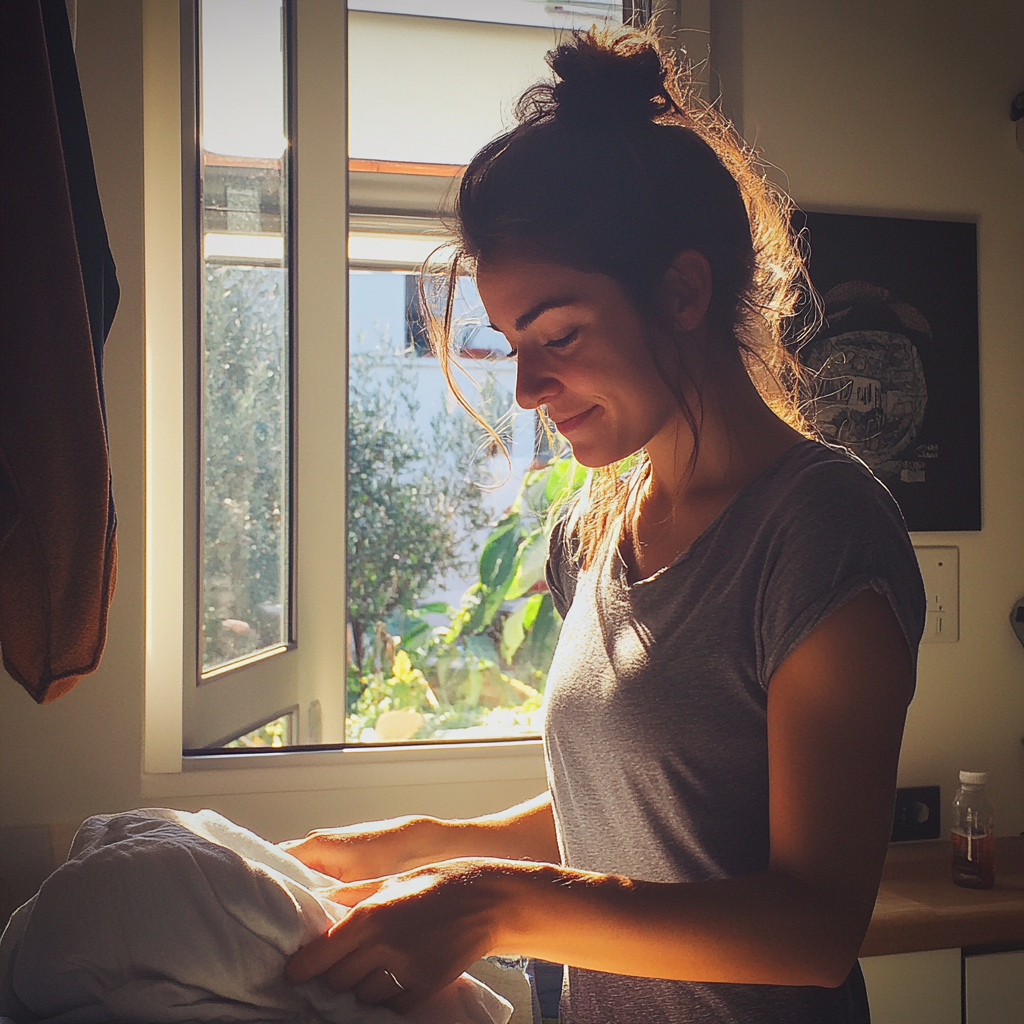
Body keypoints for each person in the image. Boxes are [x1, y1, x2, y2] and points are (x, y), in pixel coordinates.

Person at [282, 26, 925, 1024]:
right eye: (511, 345)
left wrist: (488, 905)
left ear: (681, 291)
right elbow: (635, 815)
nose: (530, 387)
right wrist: (419, 845)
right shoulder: (590, 535)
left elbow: (811, 929)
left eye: (561, 334)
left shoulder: (820, 530)